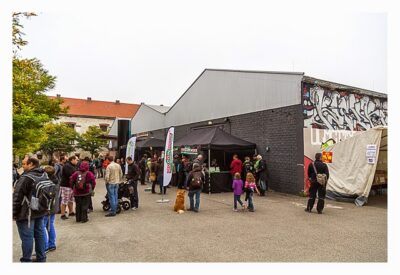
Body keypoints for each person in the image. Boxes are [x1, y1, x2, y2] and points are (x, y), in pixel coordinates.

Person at [13, 156, 47, 262]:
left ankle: (26, 260)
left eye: (24, 164)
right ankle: (41, 258)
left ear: (31, 164)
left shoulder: (26, 177)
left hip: (26, 212)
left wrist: (13, 213)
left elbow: (17, 197)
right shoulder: (44, 174)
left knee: (27, 237)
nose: (22, 166)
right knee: (40, 234)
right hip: (40, 210)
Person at [42, 165, 60, 252]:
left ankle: (45, 246)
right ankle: (52, 244)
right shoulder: (56, 180)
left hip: (47, 207)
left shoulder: (47, 183)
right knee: (50, 225)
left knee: (42, 227)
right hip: (53, 206)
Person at [60, 155, 78, 220]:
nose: (77, 161)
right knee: (65, 200)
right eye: (76, 160)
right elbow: (70, 175)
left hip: (71, 186)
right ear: (72, 160)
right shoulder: (67, 166)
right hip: (66, 186)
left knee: (71, 199)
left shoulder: (73, 166)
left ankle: (71, 212)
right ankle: (62, 214)